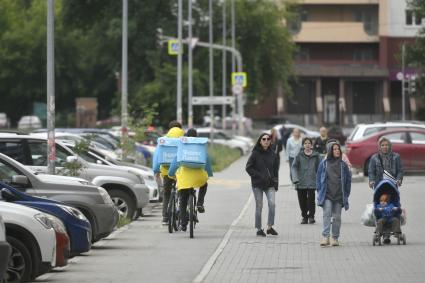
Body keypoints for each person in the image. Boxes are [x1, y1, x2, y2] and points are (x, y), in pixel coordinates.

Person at [168, 128, 213, 231]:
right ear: (196, 136)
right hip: (198, 176)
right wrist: (209, 174)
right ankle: (200, 203)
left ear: (186, 136)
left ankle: (183, 224)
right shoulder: (200, 147)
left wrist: (171, 174)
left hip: (184, 178)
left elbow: (175, 162)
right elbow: (207, 162)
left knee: (183, 201)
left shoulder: (182, 147)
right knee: (204, 184)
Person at [316, 142, 351, 246]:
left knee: (337, 217)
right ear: (330, 151)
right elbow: (318, 177)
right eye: (334, 149)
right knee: (326, 214)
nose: (337, 151)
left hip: (339, 195)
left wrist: (346, 193)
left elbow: (348, 181)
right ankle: (325, 237)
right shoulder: (324, 163)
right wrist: (319, 191)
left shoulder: (343, 165)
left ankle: (335, 238)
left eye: (338, 149)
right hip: (327, 194)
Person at [246, 133, 279, 237]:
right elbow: (248, 168)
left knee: (272, 204)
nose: (266, 141)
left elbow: (275, 170)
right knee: (259, 206)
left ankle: (269, 227)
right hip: (258, 184)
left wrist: (276, 183)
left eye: (268, 139)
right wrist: (259, 176)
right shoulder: (255, 153)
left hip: (270, 184)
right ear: (260, 141)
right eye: (263, 139)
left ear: (270, 141)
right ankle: (259, 229)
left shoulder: (273, 154)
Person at [152, 120, 185, 223]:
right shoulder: (185, 140)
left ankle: (165, 216)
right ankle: (181, 211)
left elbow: (157, 155)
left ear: (169, 129)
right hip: (181, 171)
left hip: (166, 171)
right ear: (180, 129)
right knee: (182, 192)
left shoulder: (163, 140)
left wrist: (156, 170)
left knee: (166, 193)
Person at [291, 137, 321, 224]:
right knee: (302, 200)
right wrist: (295, 179)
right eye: (305, 143)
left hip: (312, 181)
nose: (307, 145)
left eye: (309, 143)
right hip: (301, 181)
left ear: (311, 145)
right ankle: (304, 217)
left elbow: (320, 168)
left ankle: (311, 216)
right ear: (303, 145)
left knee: (311, 199)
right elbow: (294, 167)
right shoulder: (299, 155)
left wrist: (319, 179)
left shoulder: (316, 155)